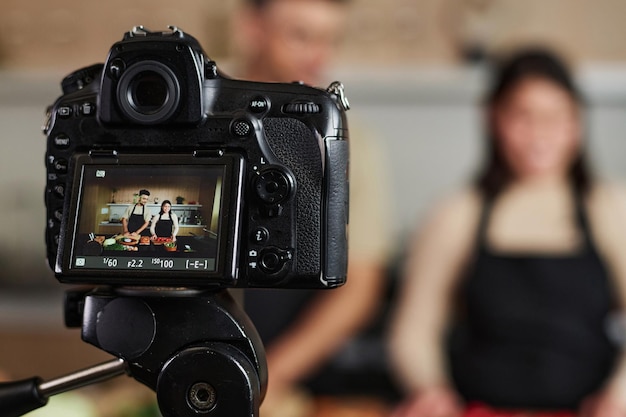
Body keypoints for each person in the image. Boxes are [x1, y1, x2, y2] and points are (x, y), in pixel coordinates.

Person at [389, 48, 626, 417]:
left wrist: (617, 400)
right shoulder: (456, 212)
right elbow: (414, 329)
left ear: (576, 124)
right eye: (522, 116)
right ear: (492, 119)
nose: (538, 135)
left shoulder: (611, 209)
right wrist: (430, 390)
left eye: (554, 117)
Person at [231, 0, 394, 416]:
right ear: (253, 28)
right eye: (300, 34)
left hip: (289, 387)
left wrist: (269, 378)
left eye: (330, 39)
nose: (318, 55)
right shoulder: (190, 112)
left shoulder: (351, 142)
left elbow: (361, 286)